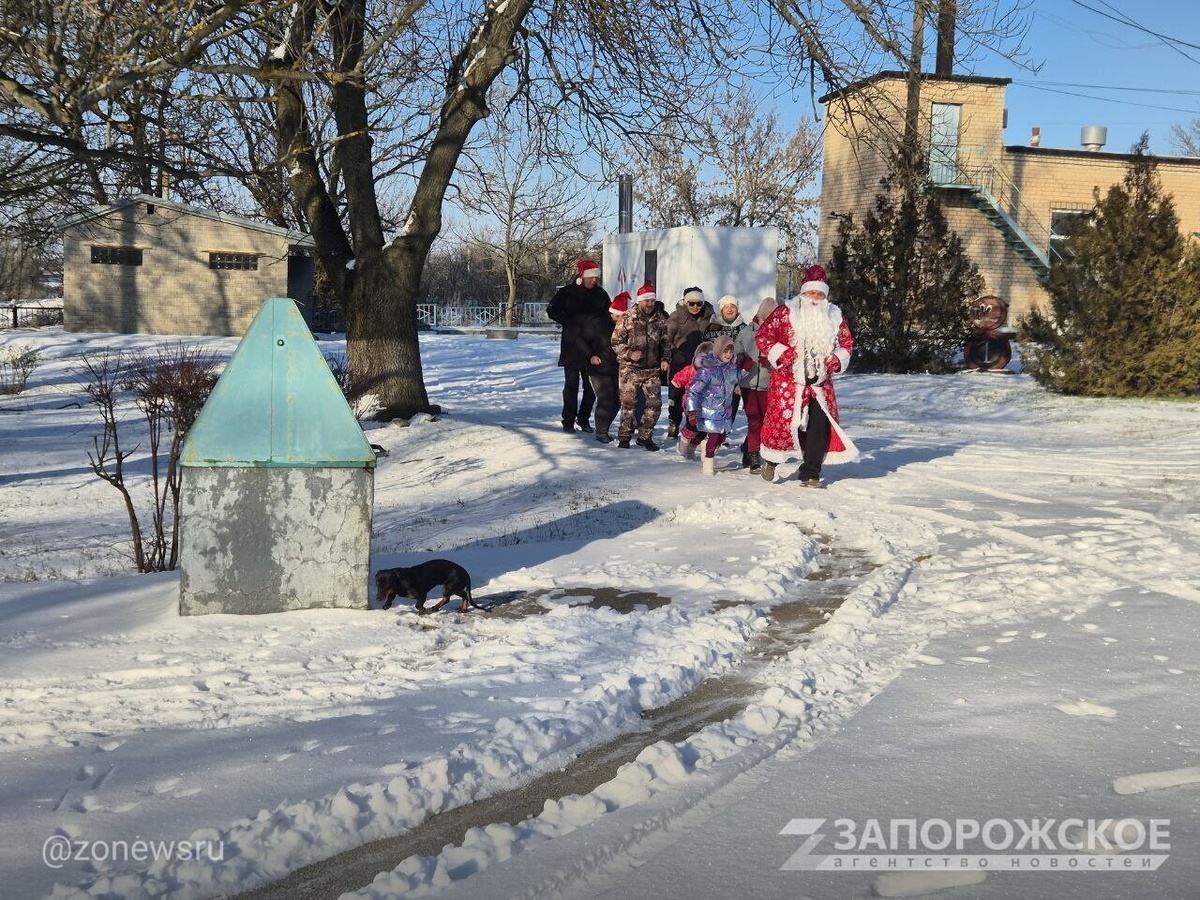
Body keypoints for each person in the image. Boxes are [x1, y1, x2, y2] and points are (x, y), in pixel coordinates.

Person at [755, 265, 858, 487]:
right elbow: (763, 336)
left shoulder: (835, 316)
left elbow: (847, 344)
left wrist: (838, 359)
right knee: (781, 425)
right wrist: (782, 353)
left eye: (820, 294)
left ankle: (811, 472)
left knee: (819, 427)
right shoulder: (785, 313)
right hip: (788, 382)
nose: (815, 298)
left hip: (820, 384)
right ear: (803, 293)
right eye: (811, 293)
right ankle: (771, 461)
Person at [547, 259, 611, 433]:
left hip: (593, 347)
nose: (593, 281)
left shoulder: (601, 295)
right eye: (590, 277)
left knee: (591, 387)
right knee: (571, 386)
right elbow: (551, 310)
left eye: (595, 278)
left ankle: (583, 418)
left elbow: (609, 316)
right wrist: (568, 322)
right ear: (582, 276)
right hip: (572, 346)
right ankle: (568, 421)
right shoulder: (568, 293)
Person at [612, 281, 669, 450]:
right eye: (646, 301)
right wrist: (629, 353)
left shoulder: (659, 318)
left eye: (652, 300)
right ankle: (624, 437)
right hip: (630, 368)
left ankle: (645, 436)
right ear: (639, 301)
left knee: (655, 405)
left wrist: (665, 358)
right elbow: (615, 342)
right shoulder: (627, 317)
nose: (650, 304)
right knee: (629, 404)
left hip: (652, 369)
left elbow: (666, 342)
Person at [680, 335, 740, 476]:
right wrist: (692, 410)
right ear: (718, 351)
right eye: (725, 351)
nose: (728, 355)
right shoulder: (708, 370)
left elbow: (738, 378)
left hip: (725, 411)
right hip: (710, 410)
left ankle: (699, 444)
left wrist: (747, 370)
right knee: (713, 438)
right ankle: (708, 466)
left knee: (721, 437)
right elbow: (693, 390)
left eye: (731, 352)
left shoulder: (732, 369)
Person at [733, 296, 779, 474]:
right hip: (749, 383)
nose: (768, 319)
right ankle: (753, 455)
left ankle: (752, 448)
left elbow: (786, 356)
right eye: (766, 315)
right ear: (760, 314)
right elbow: (736, 352)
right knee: (754, 420)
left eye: (772, 316)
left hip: (770, 384)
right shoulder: (747, 332)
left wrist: (774, 361)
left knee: (766, 421)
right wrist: (742, 361)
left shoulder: (779, 333)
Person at [665, 286, 714, 439]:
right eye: (691, 303)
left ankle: (694, 427)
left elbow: (715, 336)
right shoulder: (676, 316)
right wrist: (674, 352)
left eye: (698, 304)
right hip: (680, 362)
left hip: (700, 365)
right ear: (686, 303)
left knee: (696, 396)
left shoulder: (709, 317)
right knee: (676, 394)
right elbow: (666, 338)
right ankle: (674, 421)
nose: (695, 307)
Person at [578, 290, 626, 443]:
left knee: (618, 400)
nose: (621, 320)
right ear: (613, 313)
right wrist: (590, 355)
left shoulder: (625, 326)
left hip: (616, 367)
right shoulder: (597, 323)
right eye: (618, 316)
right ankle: (601, 432)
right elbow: (581, 340)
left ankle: (604, 426)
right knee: (605, 398)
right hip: (597, 368)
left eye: (623, 317)